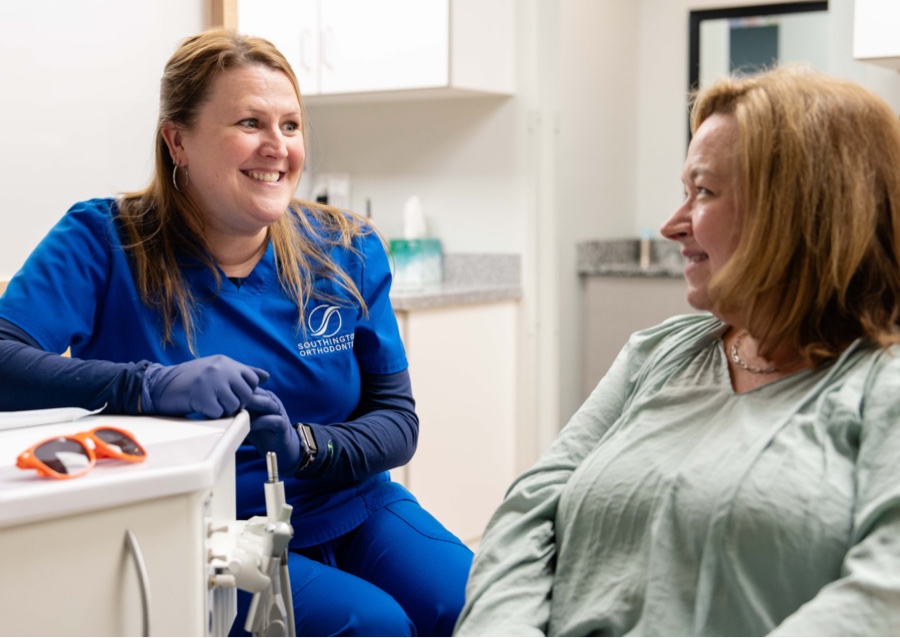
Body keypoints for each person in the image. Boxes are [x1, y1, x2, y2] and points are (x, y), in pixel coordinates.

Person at [0, 28, 473, 637]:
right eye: (250, 123)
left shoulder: (345, 249)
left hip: (353, 507)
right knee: (373, 626)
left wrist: (307, 446)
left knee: (478, 607)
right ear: (179, 141)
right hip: (205, 531)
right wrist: (147, 387)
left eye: (291, 126)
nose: (277, 147)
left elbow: (397, 420)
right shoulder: (105, 241)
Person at [454, 65, 900, 636]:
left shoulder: (880, 387)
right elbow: (530, 507)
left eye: (704, 192)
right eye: (682, 191)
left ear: (797, 213)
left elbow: (881, 599)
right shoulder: (657, 351)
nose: (672, 225)